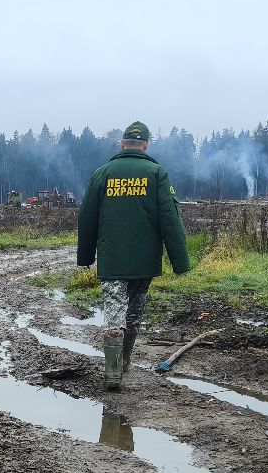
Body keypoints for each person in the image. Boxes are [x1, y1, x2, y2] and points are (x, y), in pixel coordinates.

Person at [76, 121, 191, 389]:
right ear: (147, 145)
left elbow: (86, 217)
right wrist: (180, 262)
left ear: (122, 143)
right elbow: (170, 219)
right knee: (134, 313)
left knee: (114, 314)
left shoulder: (103, 173)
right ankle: (124, 361)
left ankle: (113, 370)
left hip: (112, 259)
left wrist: (86, 257)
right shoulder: (156, 174)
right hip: (144, 261)